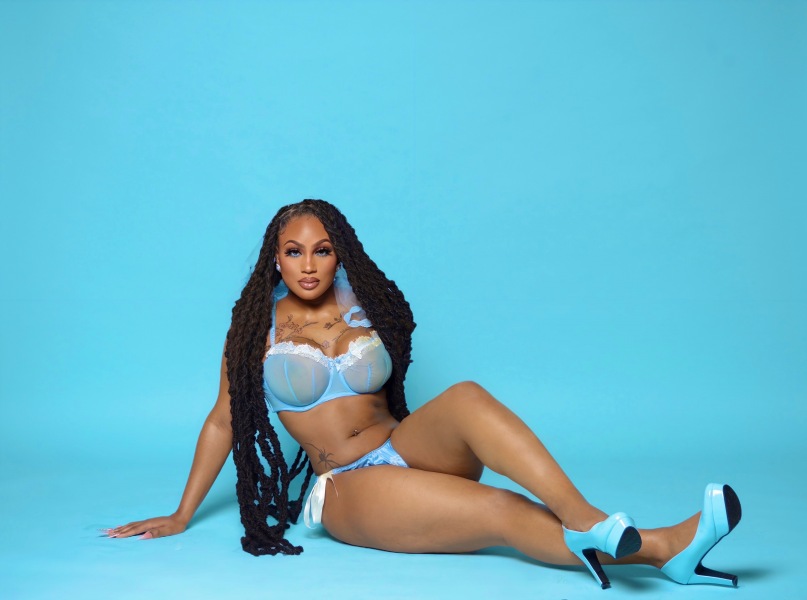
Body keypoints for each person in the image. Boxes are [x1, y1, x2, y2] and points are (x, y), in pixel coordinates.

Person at [107, 199, 742, 589]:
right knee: (499, 510)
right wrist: (182, 514)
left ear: (339, 254)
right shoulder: (254, 328)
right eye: (294, 252)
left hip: (409, 448)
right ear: (275, 258)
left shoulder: (368, 302)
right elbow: (223, 422)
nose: (309, 265)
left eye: (322, 251)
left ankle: (584, 516)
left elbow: (401, 370)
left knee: (465, 395)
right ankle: (663, 548)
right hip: (349, 486)